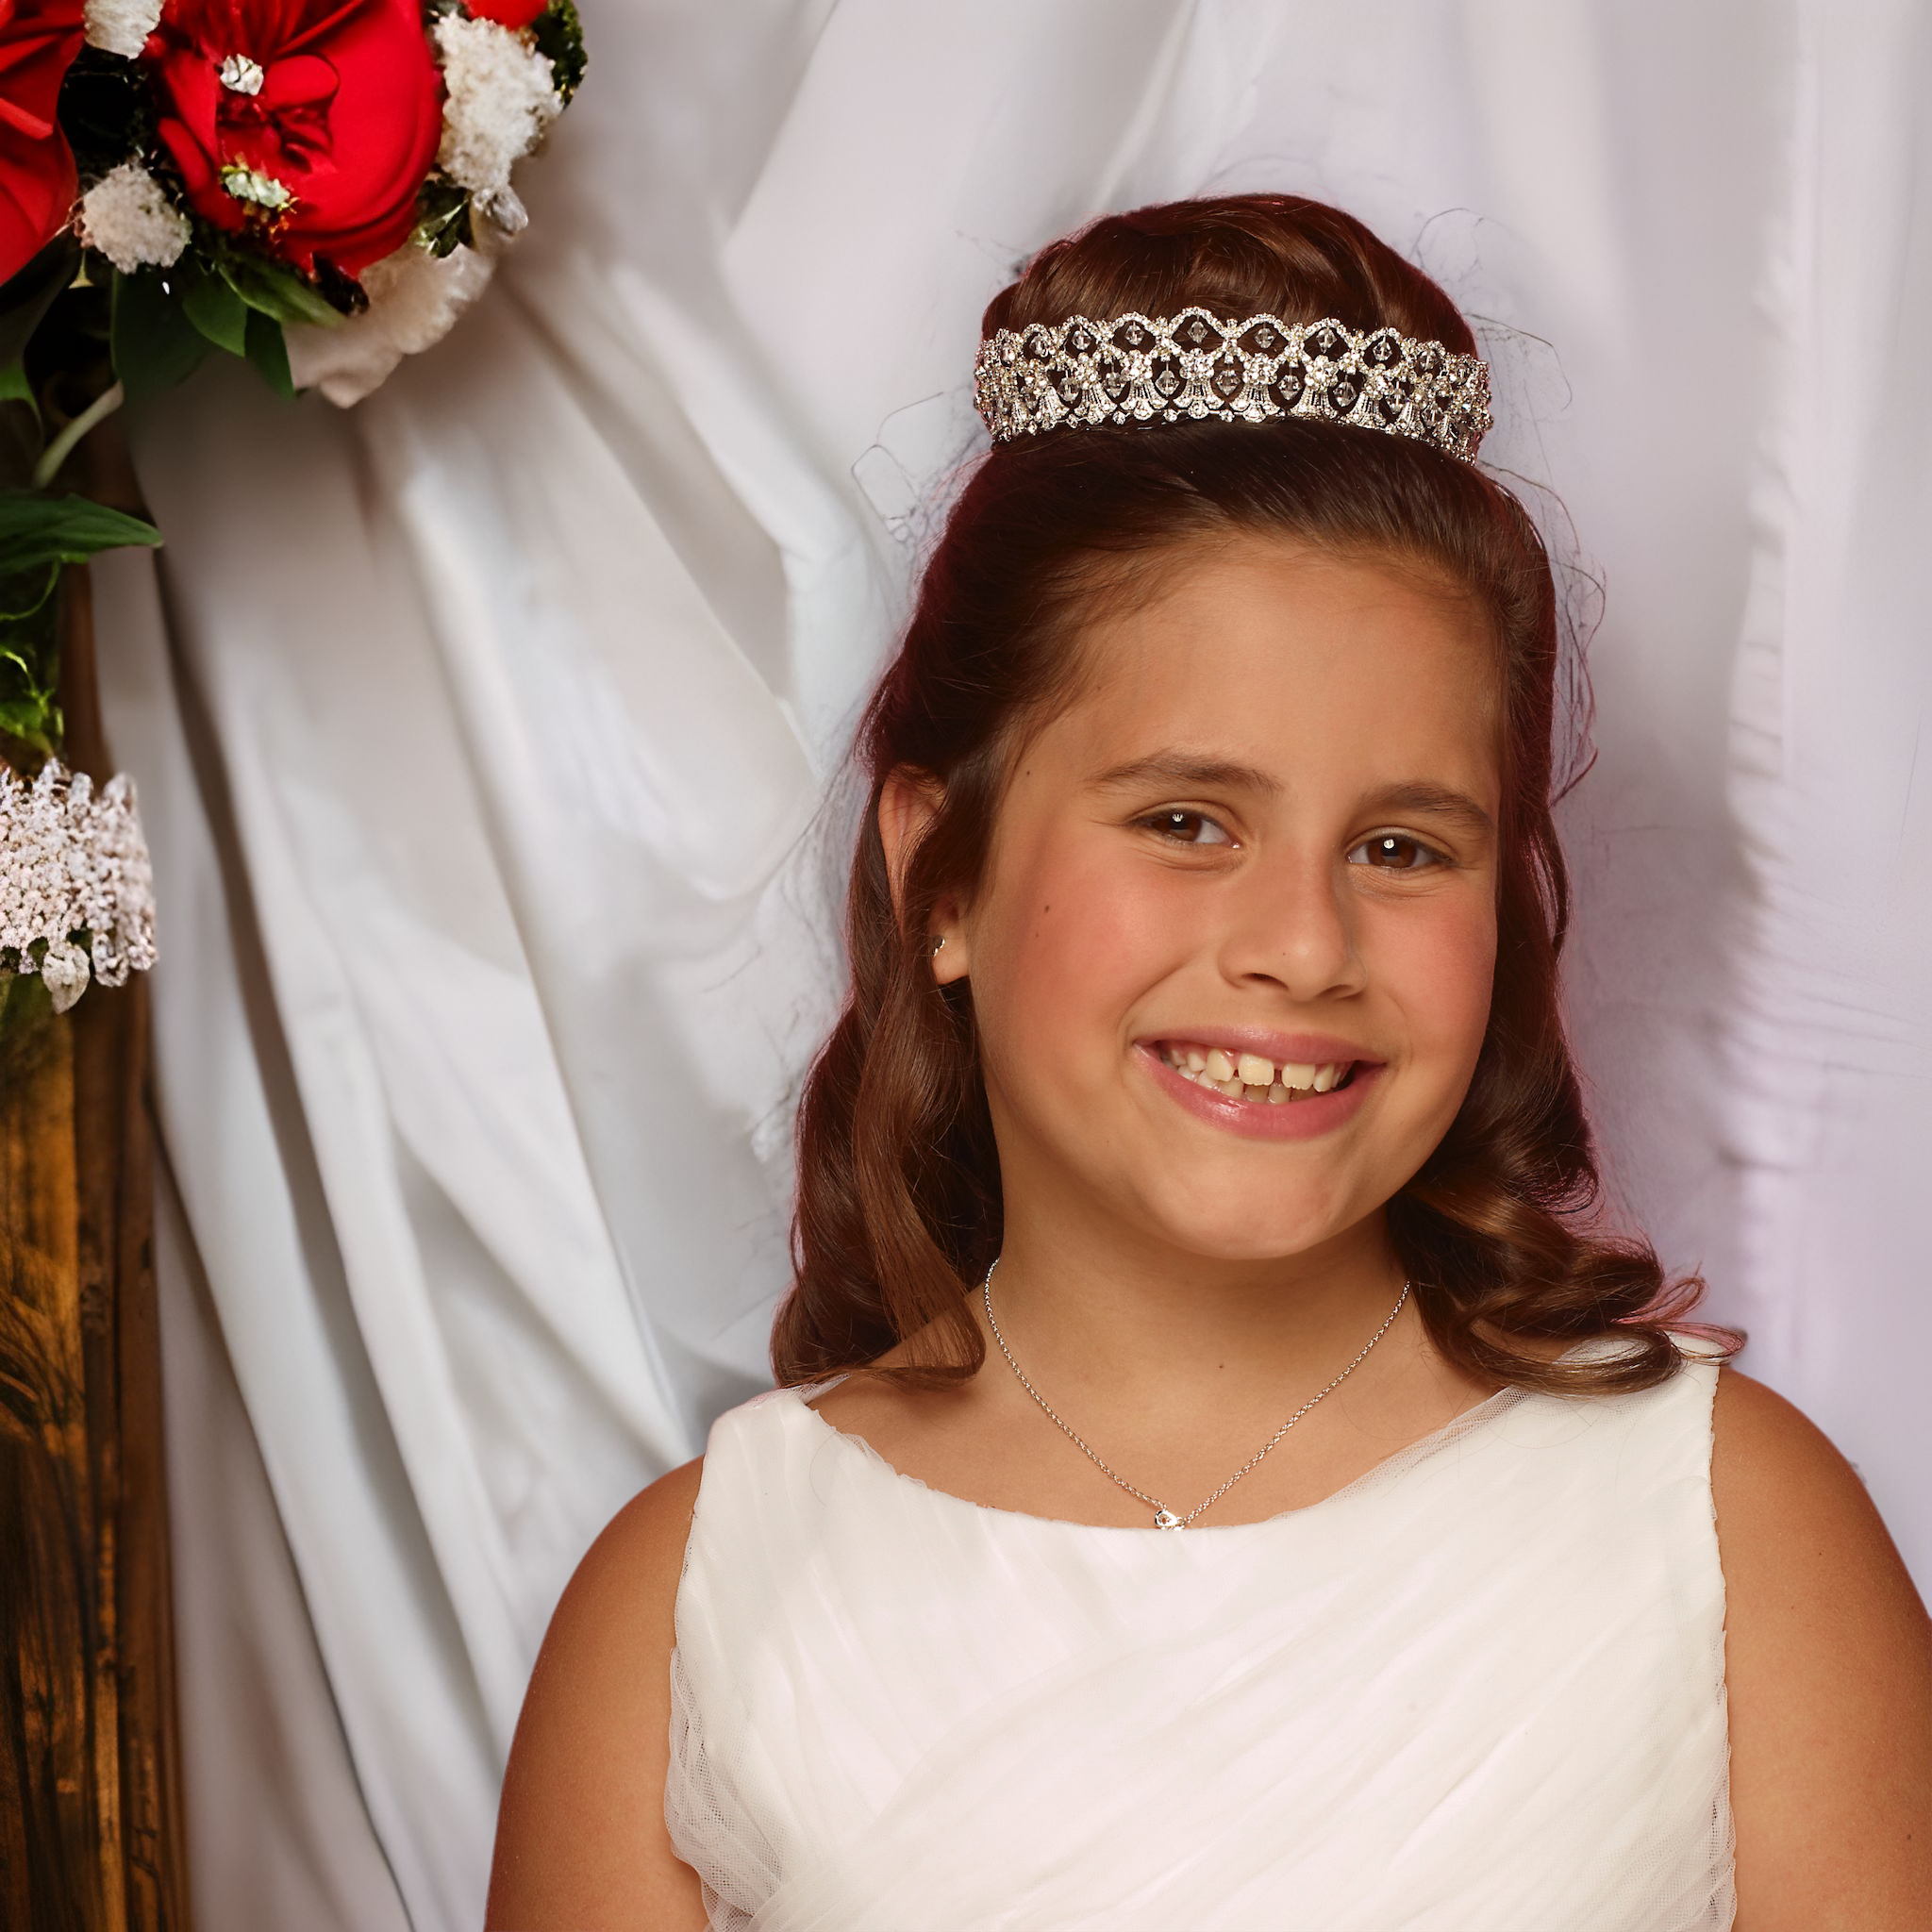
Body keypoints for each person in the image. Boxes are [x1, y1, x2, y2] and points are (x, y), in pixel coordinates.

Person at [484, 196, 1932, 1931]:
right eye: (1187, 819)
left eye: (1403, 848)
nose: (1303, 947)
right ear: (938, 873)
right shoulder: (687, 1607)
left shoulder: (1731, 1534)